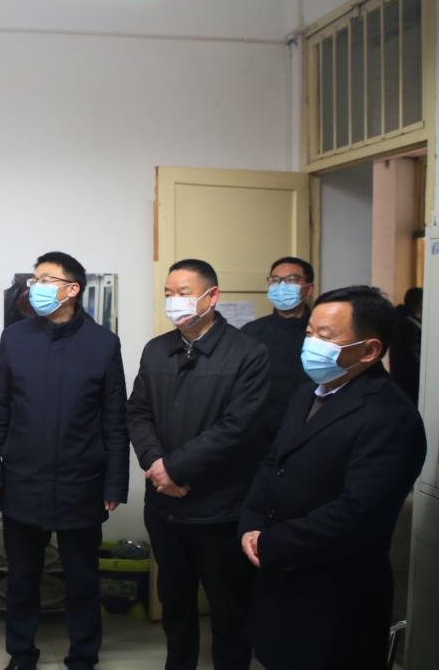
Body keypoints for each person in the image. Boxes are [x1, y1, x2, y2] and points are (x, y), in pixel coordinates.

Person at [239, 286, 426, 670]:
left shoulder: (390, 415)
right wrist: (251, 525)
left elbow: (358, 513)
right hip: (280, 582)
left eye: (325, 336)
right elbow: (273, 463)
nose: (311, 344)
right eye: (310, 333)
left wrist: (272, 542)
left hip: (337, 594)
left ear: (369, 350)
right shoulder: (307, 393)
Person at [0, 251, 130, 670]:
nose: (36, 287)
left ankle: (83, 655)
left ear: (72, 289)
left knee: (82, 579)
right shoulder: (15, 338)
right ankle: (21, 653)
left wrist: (115, 483)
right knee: (23, 577)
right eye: (34, 279)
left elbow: (115, 420)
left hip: (82, 481)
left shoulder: (103, 344)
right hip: (23, 479)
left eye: (46, 279)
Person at [127, 259, 269, 670]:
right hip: (164, 507)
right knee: (175, 603)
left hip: (220, 509)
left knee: (229, 608)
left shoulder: (248, 353)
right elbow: (138, 412)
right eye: (169, 294)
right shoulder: (157, 349)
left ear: (212, 296)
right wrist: (156, 464)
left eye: (184, 293)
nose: (175, 301)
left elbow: (237, 427)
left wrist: (175, 470)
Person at [241, 257, 315, 441]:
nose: (282, 286)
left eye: (291, 279)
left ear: (309, 289)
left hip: (311, 428)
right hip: (261, 433)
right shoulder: (251, 332)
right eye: (275, 280)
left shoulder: (322, 332)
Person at [389, 286, 423, 403]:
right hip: (409, 376)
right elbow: (413, 354)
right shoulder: (408, 324)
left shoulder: (401, 319)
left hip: (401, 374)